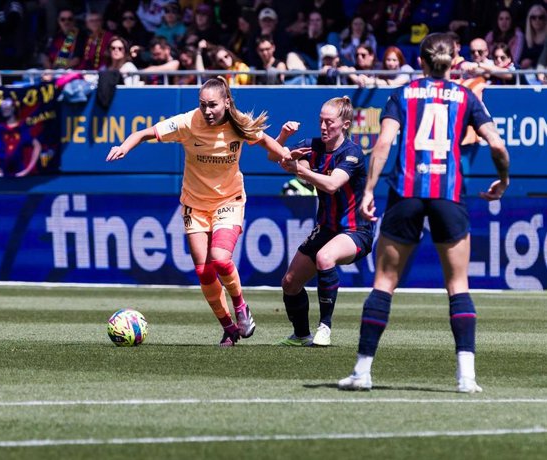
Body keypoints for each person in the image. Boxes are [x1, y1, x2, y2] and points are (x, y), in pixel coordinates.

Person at [338, 33, 510, 393]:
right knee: (458, 285)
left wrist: (368, 189)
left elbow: (383, 143)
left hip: (406, 192)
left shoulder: (402, 95)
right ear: (454, 61)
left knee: (384, 282)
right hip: (449, 194)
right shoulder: (465, 96)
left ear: (421, 61)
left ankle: (362, 371)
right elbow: (496, 143)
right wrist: (503, 180)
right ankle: (467, 377)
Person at [106, 76, 292, 346]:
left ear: (226, 103)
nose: (207, 111)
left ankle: (241, 306)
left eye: (213, 105)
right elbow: (145, 133)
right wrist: (123, 147)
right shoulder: (187, 122)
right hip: (195, 204)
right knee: (204, 271)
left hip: (230, 200)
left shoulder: (239, 123)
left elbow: (265, 141)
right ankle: (229, 327)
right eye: (202, 105)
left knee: (219, 258)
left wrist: (286, 156)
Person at [275, 98, 373, 347]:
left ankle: (325, 328)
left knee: (325, 258)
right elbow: (273, 155)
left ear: (345, 124)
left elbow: (331, 185)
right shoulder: (313, 145)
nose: (323, 126)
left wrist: (301, 169)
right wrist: (284, 139)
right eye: (321, 120)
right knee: (289, 283)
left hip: (355, 231)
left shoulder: (352, 153)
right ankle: (300, 335)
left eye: (329, 122)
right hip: (326, 228)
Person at [0, 98, 41, 177]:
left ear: (13, 108)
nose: (4, 109)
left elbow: (37, 145)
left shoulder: (22, 128)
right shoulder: (0, 129)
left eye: (7, 106)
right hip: (2, 174)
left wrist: (28, 169)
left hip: (20, 173)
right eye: (2, 107)